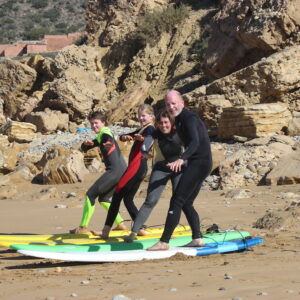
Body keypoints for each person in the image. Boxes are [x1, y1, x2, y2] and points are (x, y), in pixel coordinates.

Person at [147, 90, 212, 251]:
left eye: (174, 103)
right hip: (199, 163)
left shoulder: (188, 118)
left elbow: (195, 142)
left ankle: (164, 241)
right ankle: (197, 238)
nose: (171, 107)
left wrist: (182, 159)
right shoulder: (179, 120)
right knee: (186, 202)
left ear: (182, 102)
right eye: (168, 104)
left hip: (199, 163)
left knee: (177, 200)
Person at [94, 104, 156, 238]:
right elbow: (123, 136)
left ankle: (105, 231)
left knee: (116, 195)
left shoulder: (150, 129)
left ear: (151, 116)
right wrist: (126, 137)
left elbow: (150, 139)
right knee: (128, 199)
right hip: (138, 168)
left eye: (144, 115)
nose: (141, 118)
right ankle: (140, 228)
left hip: (136, 166)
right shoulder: (142, 129)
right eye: (139, 116)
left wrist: (143, 140)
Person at [124, 109, 184, 242]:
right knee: (150, 200)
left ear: (172, 122)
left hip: (178, 168)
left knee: (178, 201)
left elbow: (190, 150)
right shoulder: (154, 133)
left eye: (166, 122)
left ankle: (170, 231)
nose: (163, 125)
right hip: (161, 168)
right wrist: (145, 152)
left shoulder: (180, 132)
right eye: (160, 123)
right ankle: (133, 232)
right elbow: (145, 145)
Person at [70, 111, 127, 234]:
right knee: (104, 198)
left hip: (115, 171)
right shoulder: (101, 135)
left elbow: (108, 140)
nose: (93, 126)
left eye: (96, 123)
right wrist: (86, 144)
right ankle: (121, 223)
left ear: (103, 123)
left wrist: (106, 144)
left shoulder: (105, 134)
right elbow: (86, 148)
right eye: (91, 124)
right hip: (121, 170)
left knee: (90, 194)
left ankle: (83, 227)